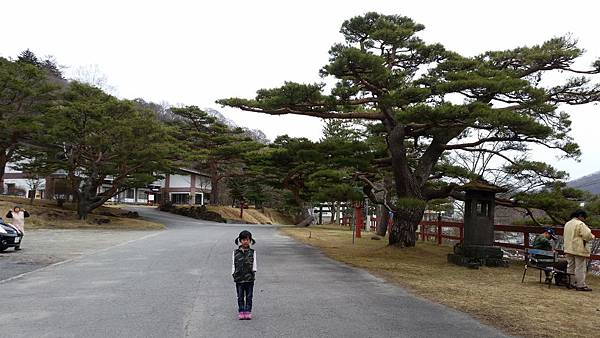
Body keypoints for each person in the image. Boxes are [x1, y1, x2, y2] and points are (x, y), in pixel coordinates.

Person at [563, 210, 595, 291]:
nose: (584, 219)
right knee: (580, 267)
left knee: (570, 266)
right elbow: (587, 235)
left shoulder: (568, 223)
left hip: (568, 248)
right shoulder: (580, 224)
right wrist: (592, 236)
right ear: (580, 216)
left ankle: (571, 282)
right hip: (578, 248)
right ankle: (580, 285)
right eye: (583, 217)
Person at [232, 230, 257, 320]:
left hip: (250, 278)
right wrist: (233, 273)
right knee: (240, 296)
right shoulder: (235, 252)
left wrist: (254, 272)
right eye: (243, 239)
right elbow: (233, 264)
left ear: (250, 240)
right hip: (239, 278)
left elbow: (254, 264)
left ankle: (248, 311)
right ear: (240, 240)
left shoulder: (252, 252)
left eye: (247, 239)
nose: (245, 241)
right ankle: (241, 311)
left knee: (249, 296)